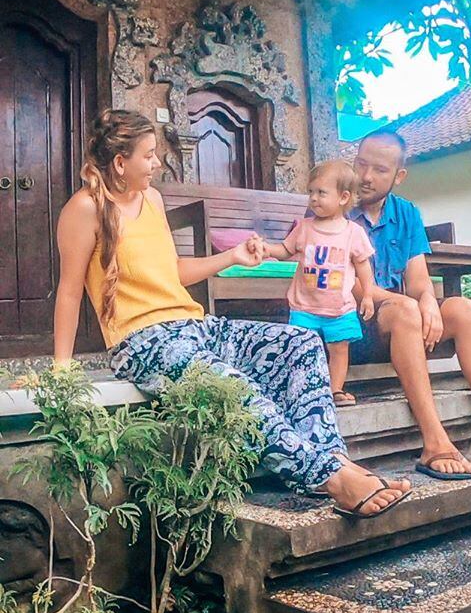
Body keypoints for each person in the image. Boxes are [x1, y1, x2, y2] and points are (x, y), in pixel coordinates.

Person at [53, 109, 409, 519]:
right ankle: (332, 479)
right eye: (149, 155)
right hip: (142, 343)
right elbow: (68, 292)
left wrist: (232, 256)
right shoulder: (84, 209)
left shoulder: (151, 199)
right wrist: (62, 371)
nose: (157, 162)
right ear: (120, 162)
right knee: (234, 384)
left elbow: (175, 274)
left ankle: (333, 460)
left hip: (194, 326)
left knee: (301, 342)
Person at [350, 130, 471, 480]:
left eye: (379, 170)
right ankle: (434, 442)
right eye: (361, 164)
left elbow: (418, 280)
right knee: (405, 310)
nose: (366, 177)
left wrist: (427, 301)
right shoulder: (337, 204)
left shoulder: (406, 213)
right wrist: (411, 305)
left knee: (462, 309)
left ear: (399, 176)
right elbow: (348, 286)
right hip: (352, 327)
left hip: (401, 325)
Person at [263, 160, 374, 408]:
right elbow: (284, 249)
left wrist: (367, 295)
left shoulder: (352, 232)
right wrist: (265, 248)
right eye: (310, 192)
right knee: (301, 348)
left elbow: (363, 265)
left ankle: (334, 390)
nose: (313, 198)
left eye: (321, 193)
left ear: (343, 197)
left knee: (338, 349)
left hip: (340, 308)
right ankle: (303, 388)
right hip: (305, 306)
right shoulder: (304, 228)